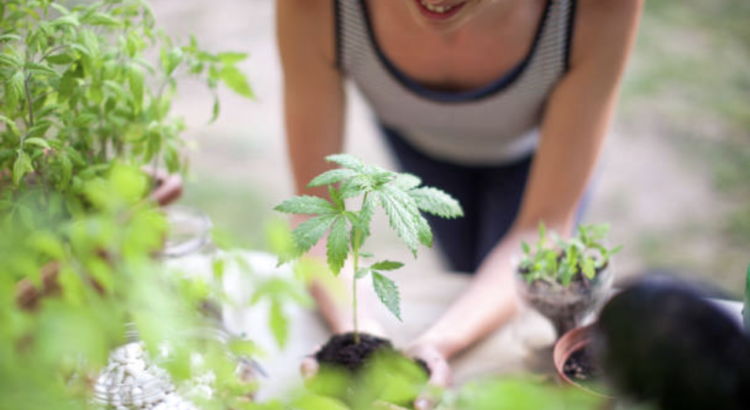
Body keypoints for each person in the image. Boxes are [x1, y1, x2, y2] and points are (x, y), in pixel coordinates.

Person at [276, 0, 642, 408]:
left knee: (512, 298)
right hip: (421, 147)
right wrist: (356, 338)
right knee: (465, 274)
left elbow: (544, 226)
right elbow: (315, 207)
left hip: (540, 153)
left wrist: (439, 342)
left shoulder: (600, 9)